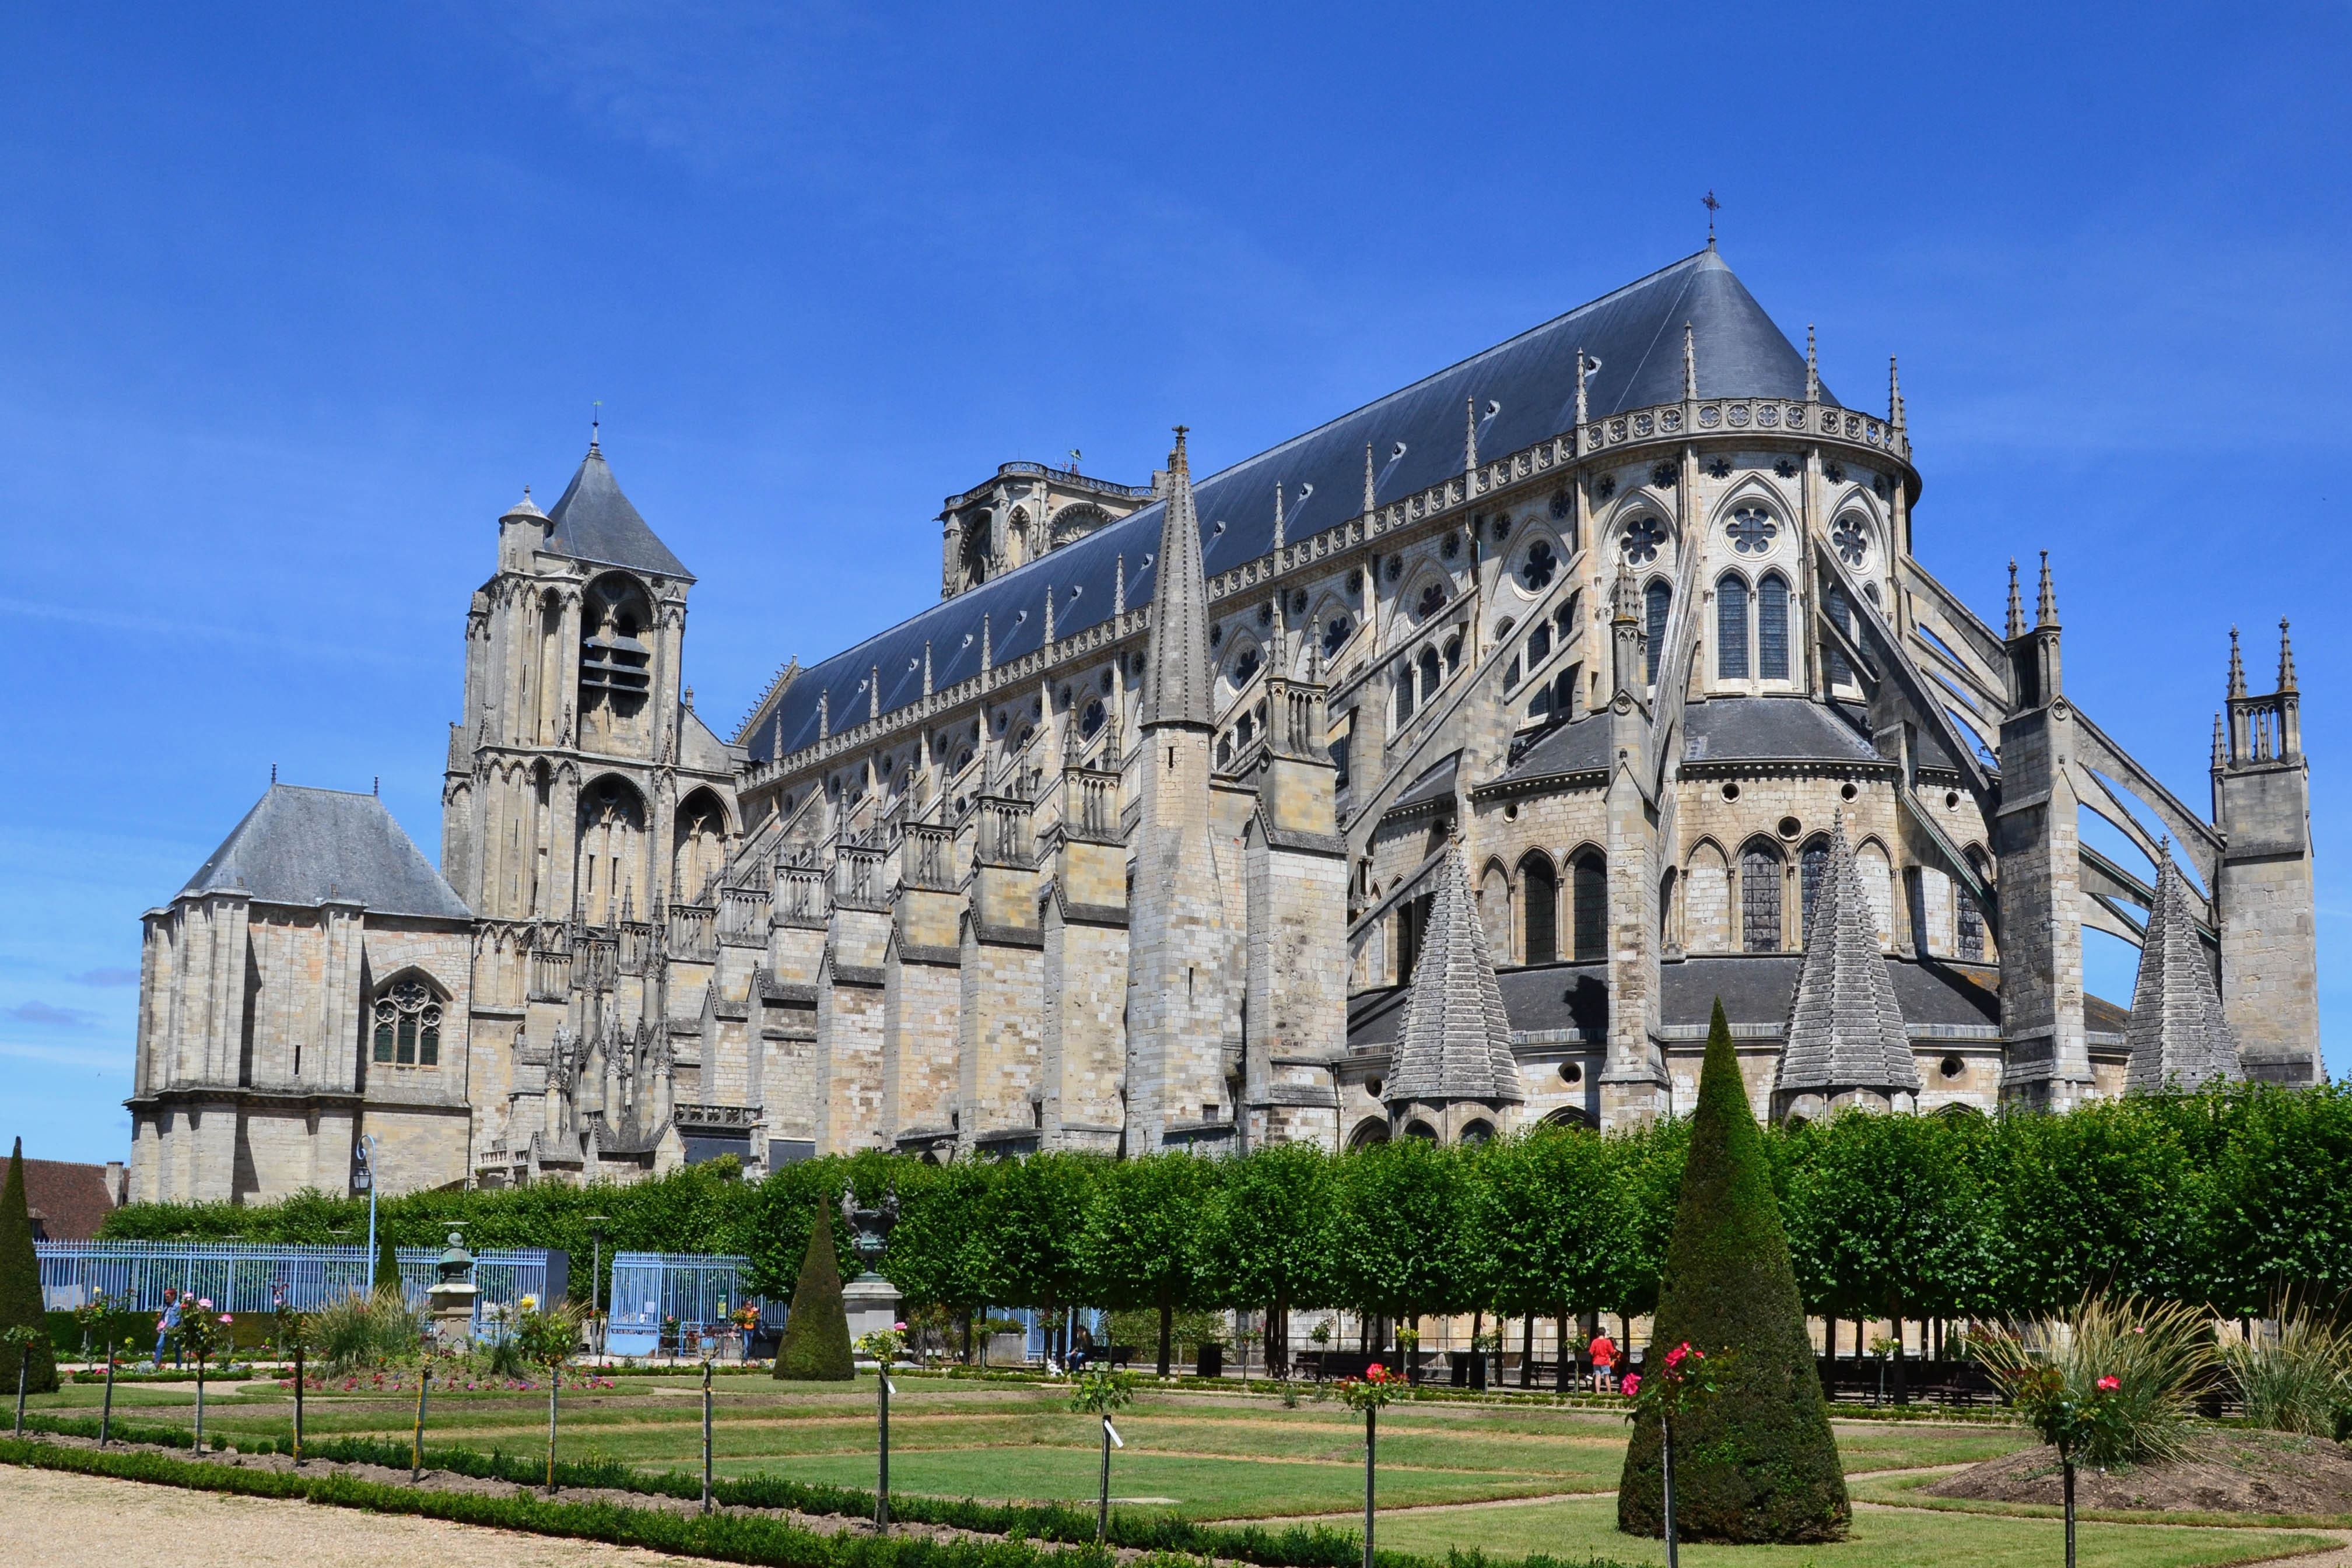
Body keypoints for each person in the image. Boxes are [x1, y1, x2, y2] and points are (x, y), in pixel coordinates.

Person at [154, 1288, 183, 1369]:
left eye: (168, 1296)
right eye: (166, 1297)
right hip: (165, 1329)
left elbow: (177, 1319)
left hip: (174, 1330)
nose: (166, 1298)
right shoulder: (167, 1306)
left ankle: (178, 1366)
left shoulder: (177, 1306)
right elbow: (164, 1319)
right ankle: (157, 1365)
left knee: (177, 1347)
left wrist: (169, 1327)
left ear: (173, 1296)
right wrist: (160, 1326)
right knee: (159, 1345)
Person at [1588, 1328, 1617, 1394]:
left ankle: (1598, 1393)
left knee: (1597, 1377)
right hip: (1605, 1361)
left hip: (1596, 1361)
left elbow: (1591, 1352)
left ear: (1597, 1334)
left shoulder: (1595, 1341)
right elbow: (1612, 1352)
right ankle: (1609, 1393)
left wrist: (1595, 1355)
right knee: (1607, 1377)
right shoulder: (1608, 1342)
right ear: (1605, 1334)